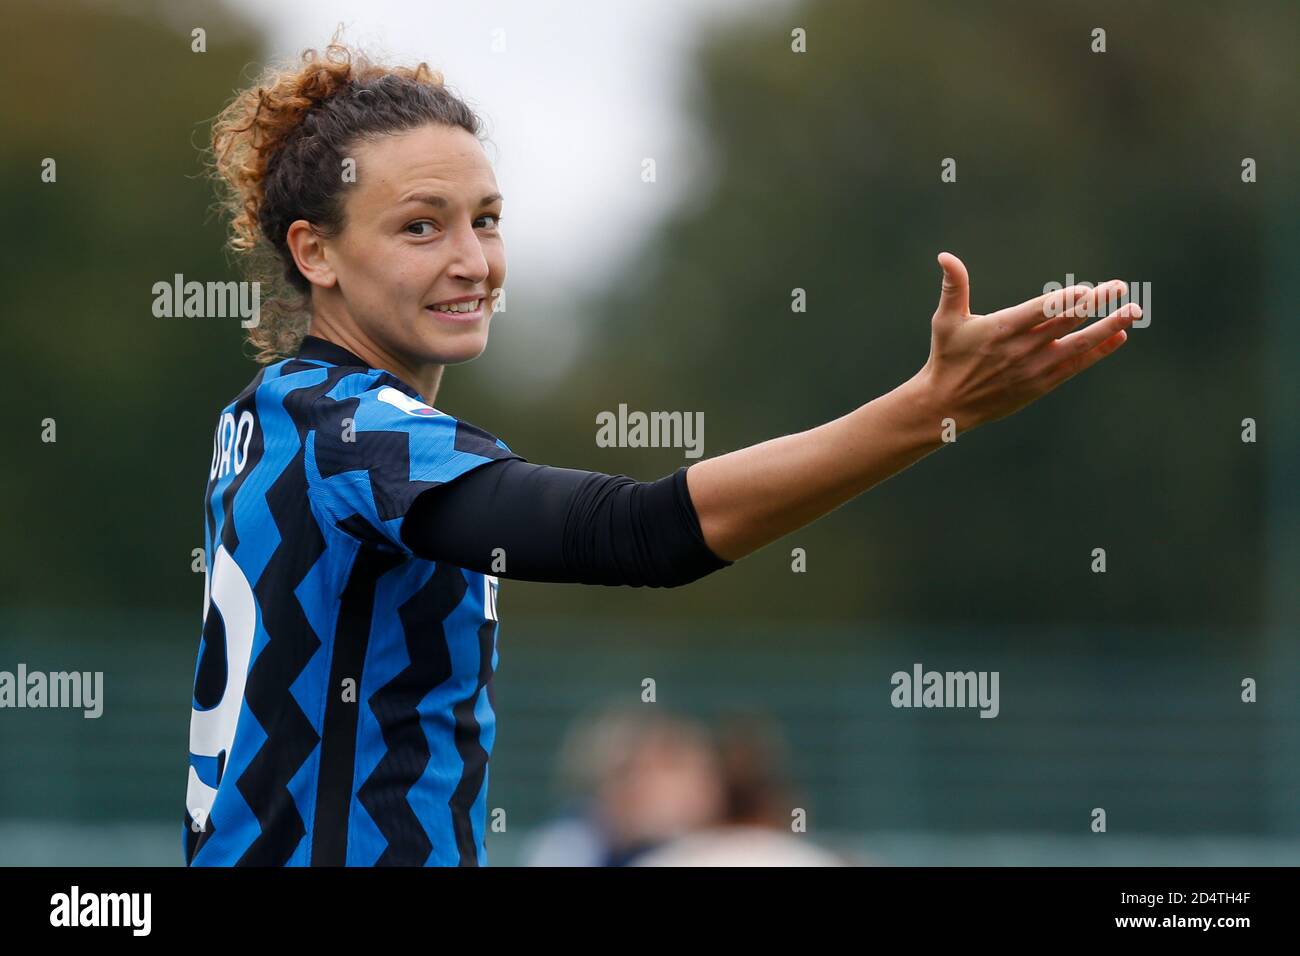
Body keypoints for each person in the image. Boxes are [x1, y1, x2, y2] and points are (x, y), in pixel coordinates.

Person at [184, 39, 1142, 867]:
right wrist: (934, 408)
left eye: (487, 218)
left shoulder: (271, 418)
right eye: (420, 226)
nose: (473, 260)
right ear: (316, 253)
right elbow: (638, 535)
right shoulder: (352, 433)